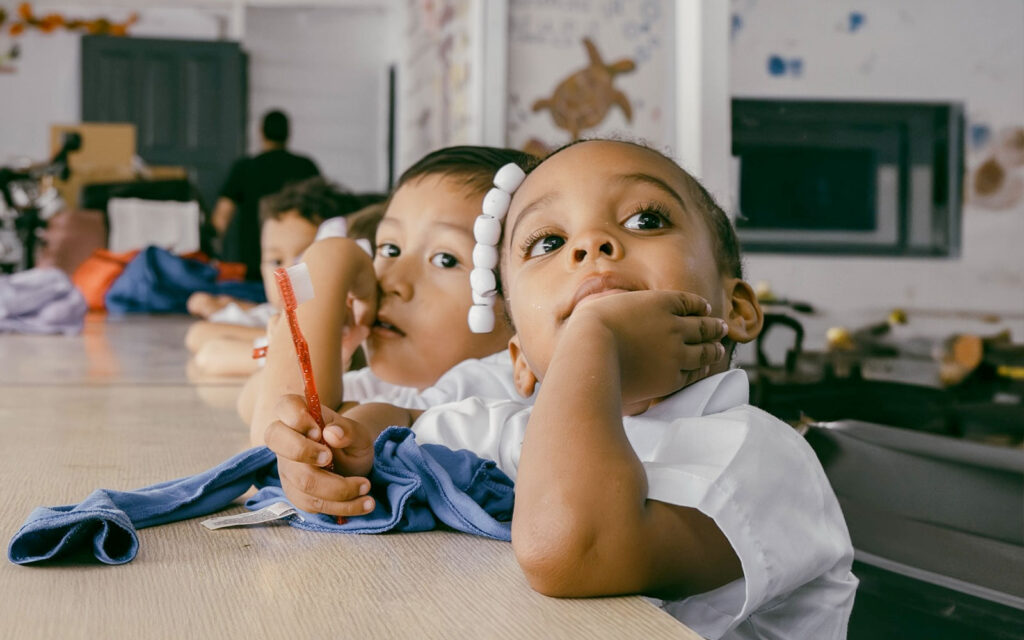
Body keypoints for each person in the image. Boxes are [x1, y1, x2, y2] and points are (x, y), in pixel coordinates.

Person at [263, 140, 858, 639]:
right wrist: (337, 448)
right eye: (547, 242)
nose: (591, 245)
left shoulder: (761, 455)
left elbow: (571, 551)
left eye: (645, 220)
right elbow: (403, 426)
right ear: (520, 360)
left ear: (737, 309)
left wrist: (593, 337)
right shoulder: (529, 429)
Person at [247, 146, 548, 446]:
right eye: (390, 249)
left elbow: (290, 444)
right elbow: (256, 403)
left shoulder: (497, 385)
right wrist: (333, 354)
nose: (393, 282)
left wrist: (330, 259)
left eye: (445, 259)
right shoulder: (411, 383)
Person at [188, 177, 384, 379]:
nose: (288, 273)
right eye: (276, 261)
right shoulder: (277, 315)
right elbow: (199, 335)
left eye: (305, 259)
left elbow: (212, 355)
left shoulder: (350, 333)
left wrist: (290, 345)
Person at [212, 109, 320, 281]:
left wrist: (211, 256)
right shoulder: (306, 167)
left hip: (253, 266)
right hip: (298, 266)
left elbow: (221, 219)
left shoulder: (245, 168)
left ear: (261, 132)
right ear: (288, 134)